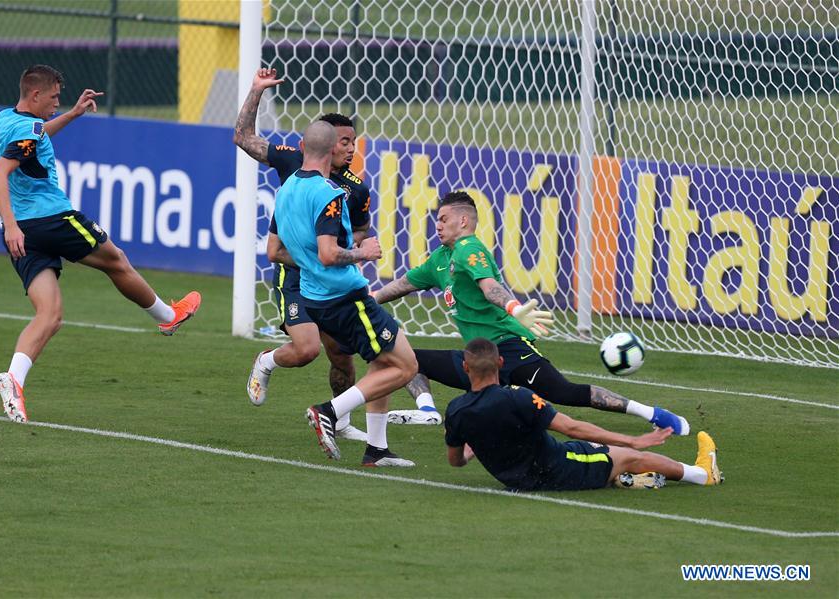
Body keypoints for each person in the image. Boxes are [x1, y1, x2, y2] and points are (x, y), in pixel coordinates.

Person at [374, 191, 690, 434]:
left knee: (565, 393)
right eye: (437, 219)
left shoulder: (469, 249)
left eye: (443, 218)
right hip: (479, 358)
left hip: (509, 346)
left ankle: (654, 414)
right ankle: (428, 411)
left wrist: (514, 308)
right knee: (406, 358)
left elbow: (490, 287)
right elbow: (400, 285)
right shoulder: (439, 260)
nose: (437, 224)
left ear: (464, 221)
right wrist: (361, 300)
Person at [0, 65, 201, 423]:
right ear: (36, 95)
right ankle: (168, 316)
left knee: (50, 315)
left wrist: (72, 113)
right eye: (54, 97)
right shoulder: (27, 130)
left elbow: (34, 136)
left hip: (25, 230)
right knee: (116, 260)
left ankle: (13, 380)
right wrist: (11, 226)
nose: (57, 102)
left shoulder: (7, 119)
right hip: (50, 219)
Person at [234, 68, 425, 441]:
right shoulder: (295, 163)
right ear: (324, 144)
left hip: (330, 282)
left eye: (354, 141)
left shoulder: (357, 190)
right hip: (297, 278)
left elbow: (356, 237)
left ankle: (338, 422)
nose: (350, 148)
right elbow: (243, 137)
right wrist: (256, 90)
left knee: (341, 355)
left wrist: (348, 252)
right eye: (343, 141)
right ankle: (266, 361)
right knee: (306, 350)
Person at [273, 120, 419, 467]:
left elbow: (274, 249)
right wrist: (362, 253)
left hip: (314, 297)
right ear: (331, 150)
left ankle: (377, 449)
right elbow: (328, 253)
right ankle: (329, 412)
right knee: (406, 366)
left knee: (381, 361)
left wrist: (312, 263)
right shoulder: (329, 194)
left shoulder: (288, 188)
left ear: (303, 147)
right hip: (343, 297)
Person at [445, 338, 723, 491]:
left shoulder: (456, 410)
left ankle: (629, 478)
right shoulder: (518, 396)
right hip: (554, 471)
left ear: (466, 368)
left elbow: (455, 461)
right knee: (627, 455)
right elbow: (572, 428)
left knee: (592, 449)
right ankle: (701, 474)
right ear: (501, 363)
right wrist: (632, 440)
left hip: (514, 478)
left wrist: (471, 450)